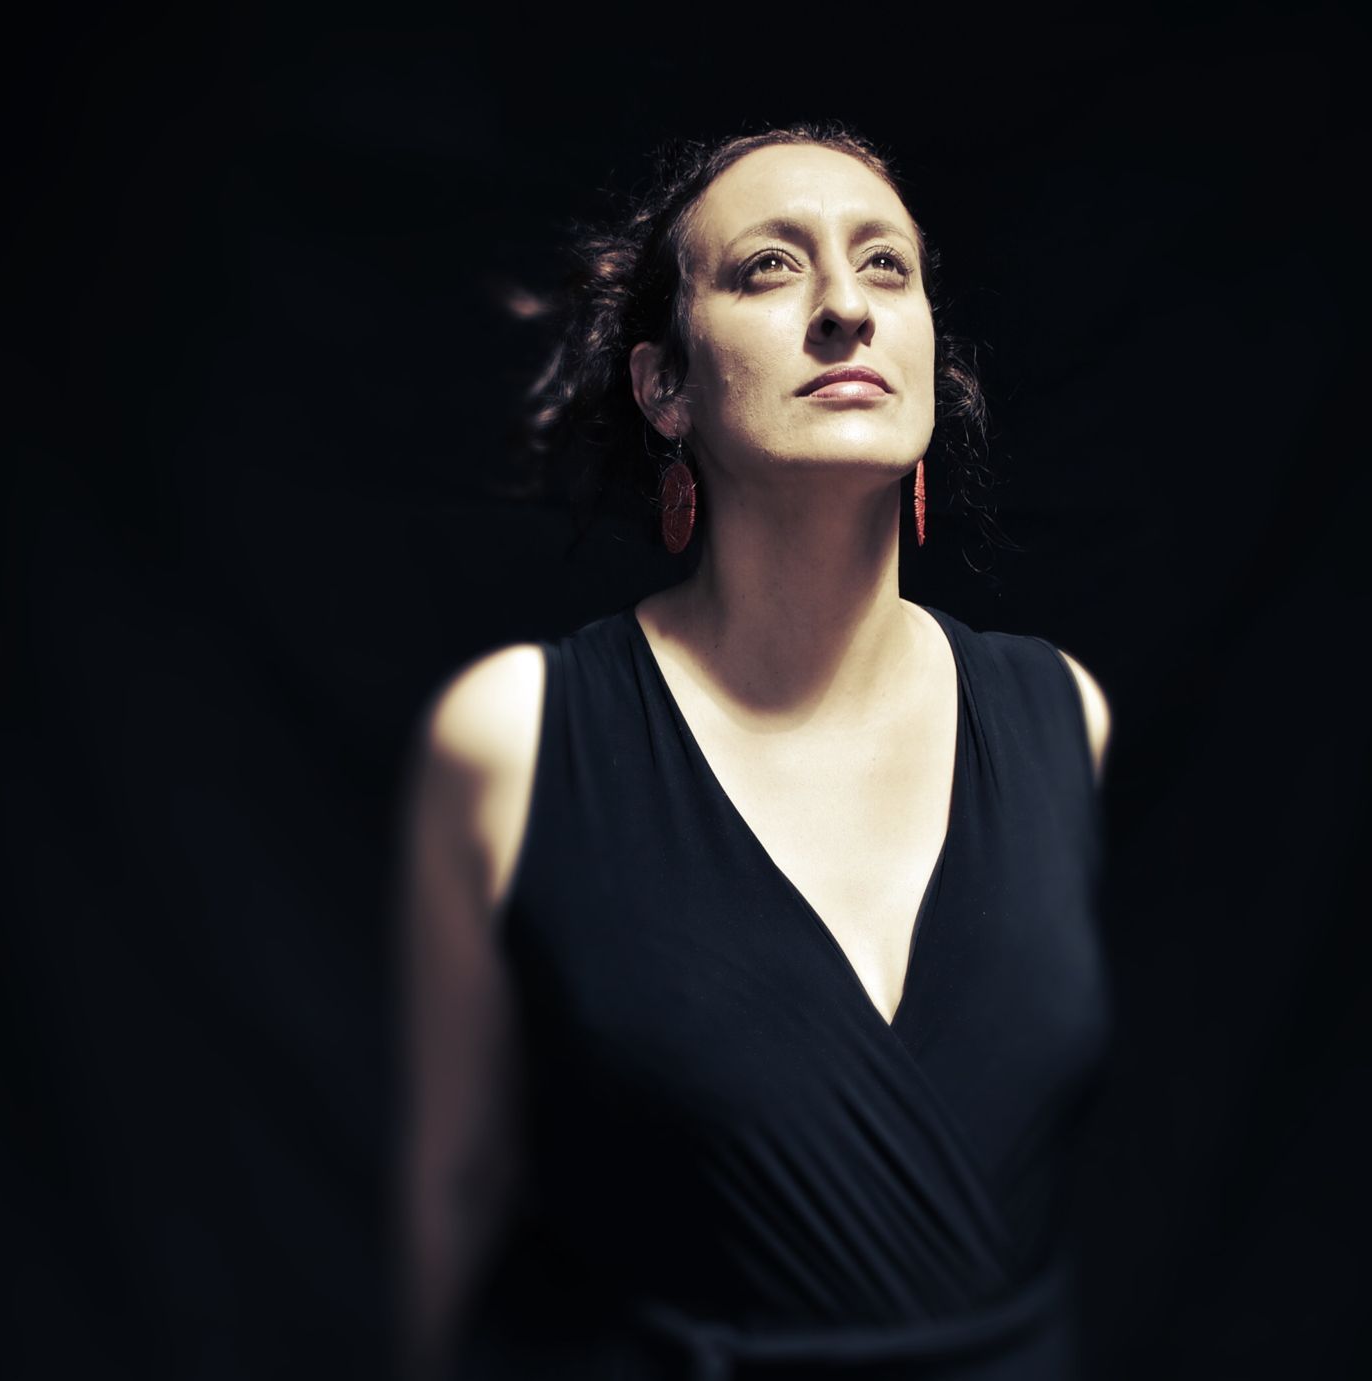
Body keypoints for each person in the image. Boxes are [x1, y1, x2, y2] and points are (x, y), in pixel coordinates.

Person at [396, 123, 1114, 1380]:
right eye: (770, 269)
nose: (845, 306)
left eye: (886, 267)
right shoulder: (514, 737)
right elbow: (453, 1192)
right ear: (663, 385)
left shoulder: (1061, 712)